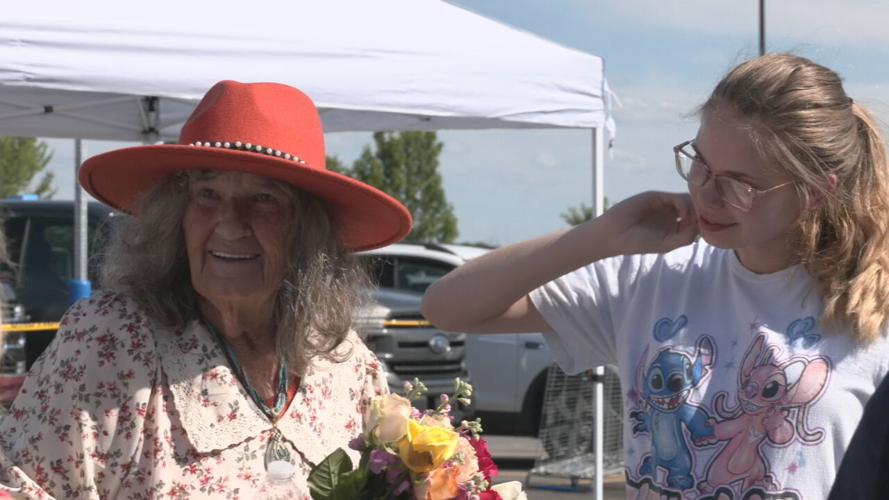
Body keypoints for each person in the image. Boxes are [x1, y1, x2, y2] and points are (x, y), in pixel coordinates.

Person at [422, 53, 889, 499]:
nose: (707, 194)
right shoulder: (654, 275)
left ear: (815, 191)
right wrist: (602, 235)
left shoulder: (870, 307)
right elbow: (448, 307)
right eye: (700, 163)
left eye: (740, 184)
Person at [0, 80, 412, 498]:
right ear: (176, 215)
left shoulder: (343, 360)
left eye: (264, 198)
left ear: (309, 230)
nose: (230, 225)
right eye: (208, 194)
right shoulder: (112, 339)